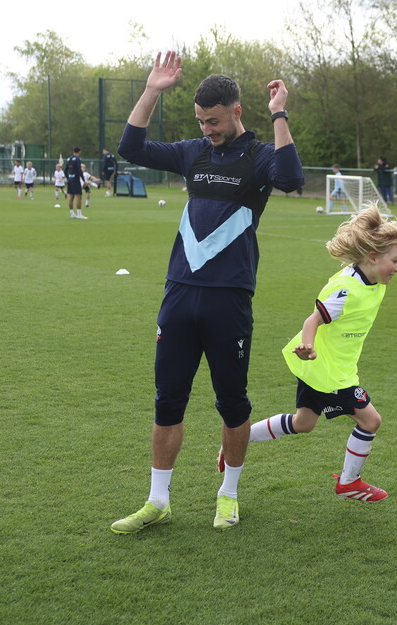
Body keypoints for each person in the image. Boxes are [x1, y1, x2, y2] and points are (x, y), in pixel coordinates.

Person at [110, 51, 303, 534]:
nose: (208, 129)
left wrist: (280, 113)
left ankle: (228, 494)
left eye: (213, 121)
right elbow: (130, 147)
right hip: (179, 295)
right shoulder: (193, 152)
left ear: (237, 112)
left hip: (228, 299)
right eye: (201, 121)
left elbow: (292, 179)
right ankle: (157, 501)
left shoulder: (259, 157)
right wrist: (152, 90)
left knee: (232, 402)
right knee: (167, 399)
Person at [219, 204, 397, 502]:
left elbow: (382, 262)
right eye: (395, 261)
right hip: (330, 372)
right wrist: (308, 345)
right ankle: (349, 482)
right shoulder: (345, 290)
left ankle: (234, 443)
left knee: (302, 423)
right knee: (371, 421)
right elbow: (313, 319)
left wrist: (393, 256)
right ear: (372, 257)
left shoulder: (371, 272)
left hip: (323, 369)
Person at [65, 147, 86, 219]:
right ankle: (79, 214)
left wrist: (68, 178)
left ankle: (72, 214)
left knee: (71, 197)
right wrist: (83, 180)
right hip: (76, 180)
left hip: (70, 179)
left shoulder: (69, 159)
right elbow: (79, 170)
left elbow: (65, 170)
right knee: (79, 196)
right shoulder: (77, 159)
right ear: (79, 152)